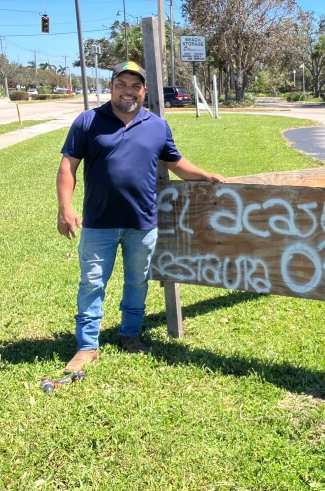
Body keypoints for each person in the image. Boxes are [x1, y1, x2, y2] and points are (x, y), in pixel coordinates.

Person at [57, 61, 227, 374]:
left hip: (142, 223)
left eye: (135, 86)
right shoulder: (88, 121)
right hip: (98, 223)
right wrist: (65, 208)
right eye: (121, 84)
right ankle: (86, 346)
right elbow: (69, 166)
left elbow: (175, 163)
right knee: (92, 283)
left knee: (137, 281)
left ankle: (130, 334)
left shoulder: (157, 126)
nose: (128, 91)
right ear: (111, 87)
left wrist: (205, 176)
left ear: (144, 91)